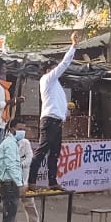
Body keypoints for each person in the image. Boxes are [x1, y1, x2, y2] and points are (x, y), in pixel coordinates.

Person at [28, 31, 80, 190]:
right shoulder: (47, 79)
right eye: (53, 68)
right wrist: (73, 46)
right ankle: (31, 181)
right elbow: (64, 64)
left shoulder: (55, 84)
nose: (55, 70)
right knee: (42, 152)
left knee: (55, 153)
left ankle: (52, 182)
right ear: (47, 70)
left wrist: (65, 113)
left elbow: (61, 103)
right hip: (49, 120)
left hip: (56, 121)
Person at [16, 120, 40, 222]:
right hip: (13, 181)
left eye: (24, 129)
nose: (22, 132)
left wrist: (23, 163)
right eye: (19, 129)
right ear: (12, 129)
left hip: (24, 179)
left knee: (30, 205)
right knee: (12, 208)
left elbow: (30, 156)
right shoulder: (8, 142)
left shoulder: (25, 142)